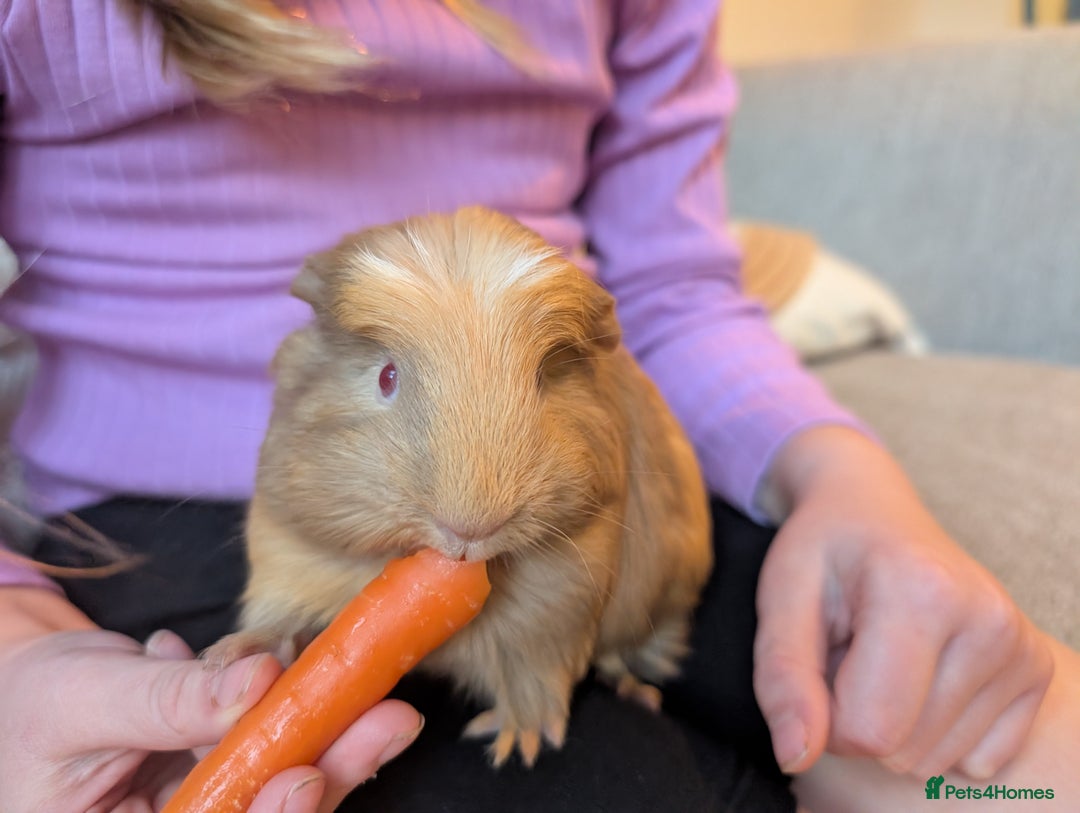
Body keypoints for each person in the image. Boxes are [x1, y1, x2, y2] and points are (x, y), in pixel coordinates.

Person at [0, 1, 1075, 811]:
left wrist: (846, 480)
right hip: (168, 515)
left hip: (577, 475)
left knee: (977, 734)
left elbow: (671, 290)